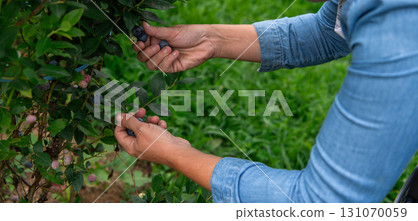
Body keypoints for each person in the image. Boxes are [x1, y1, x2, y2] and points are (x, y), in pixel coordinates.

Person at [114, 0, 418, 202]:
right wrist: (212, 39)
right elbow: (332, 29)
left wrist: (175, 153)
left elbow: (322, 205)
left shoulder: (402, 28)